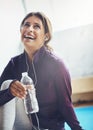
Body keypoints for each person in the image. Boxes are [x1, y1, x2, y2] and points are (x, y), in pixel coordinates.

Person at [0, 12, 83, 130]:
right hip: (25, 125)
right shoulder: (14, 64)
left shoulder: (57, 64)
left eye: (36, 26)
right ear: (21, 31)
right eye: (26, 25)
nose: (29, 29)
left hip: (50, 127)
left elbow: (65, 105)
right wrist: (10, 91)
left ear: (46, 36)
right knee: (8, 84)